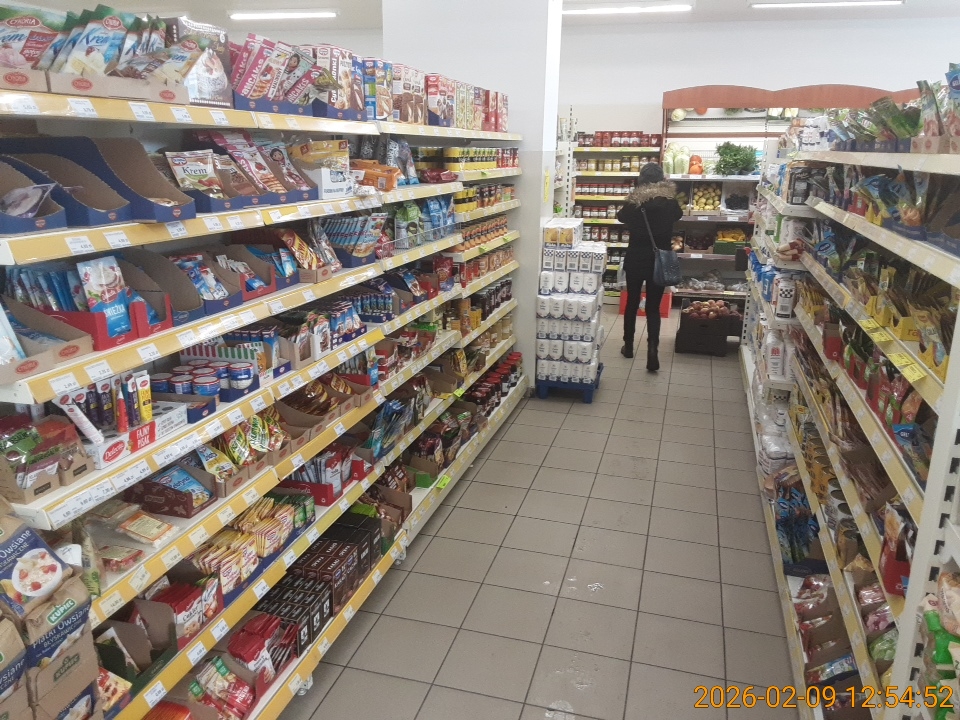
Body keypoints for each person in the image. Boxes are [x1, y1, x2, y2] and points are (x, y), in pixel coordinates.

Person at [616, 163, 683, 371]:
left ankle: (628, 346)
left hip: (636, 258)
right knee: (653, 308)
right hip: (659, 261)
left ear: (641, 180)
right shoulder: (670, 203)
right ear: (662, 179)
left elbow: (620, 217)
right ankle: (652, 350)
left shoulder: (634, 202)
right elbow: (678, 215)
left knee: (632, 302)